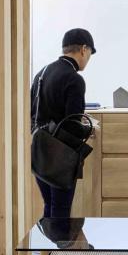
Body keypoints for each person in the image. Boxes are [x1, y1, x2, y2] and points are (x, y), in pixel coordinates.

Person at [31, 28, 96, 218]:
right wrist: (89, 129)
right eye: (90, 53)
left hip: (39, 153)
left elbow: (32, 114)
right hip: (61, 157)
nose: (88, 58)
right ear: (84, 49)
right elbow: (72, 124)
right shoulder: (74, 79)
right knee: (61, 211)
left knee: (50, 207)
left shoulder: (42, 73)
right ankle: (61, 247)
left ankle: (52, 247)